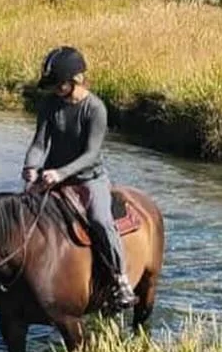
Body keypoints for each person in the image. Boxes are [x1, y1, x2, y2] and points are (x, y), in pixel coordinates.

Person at [22, 46, 137, 311]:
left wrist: (60, 173)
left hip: (88, 178)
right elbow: (39, 143)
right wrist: (31, 166)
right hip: (52, 176)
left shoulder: (95, 109)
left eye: (58, 84)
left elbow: (91, 154)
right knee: (20, 211)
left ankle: (121, 279)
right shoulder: (50, 105)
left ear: (75, 80)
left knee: (100, 220)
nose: (55, 89)